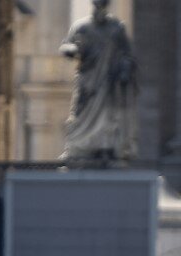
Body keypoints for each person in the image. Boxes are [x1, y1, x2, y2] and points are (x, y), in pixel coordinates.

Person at [58, 0, 137, 166]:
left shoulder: (117, 28)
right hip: (87, 81)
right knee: (79, 113)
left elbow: (128, 55)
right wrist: (71, 50)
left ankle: (106, 149)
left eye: (102, 5)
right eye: (96, 5)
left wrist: (124, 70)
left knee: (109, 116)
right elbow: (65, 46)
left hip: (108, 82)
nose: (99, 8)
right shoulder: (81, 26)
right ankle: (77, 149)